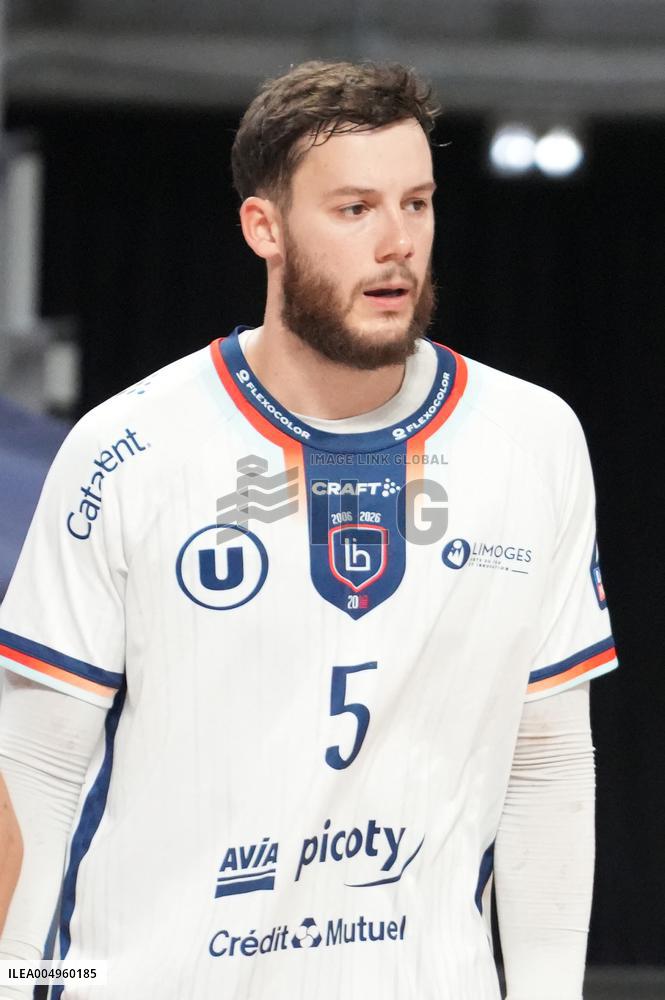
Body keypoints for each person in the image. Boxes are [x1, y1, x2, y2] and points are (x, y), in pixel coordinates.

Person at [0, 60, 617, 1000]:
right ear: (265, 227)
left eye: (416, 204)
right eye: (355, 209)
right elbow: (36, 769)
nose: (396, 244)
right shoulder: (126, 451)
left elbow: (546, 764)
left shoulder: (531, 441)